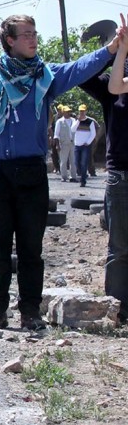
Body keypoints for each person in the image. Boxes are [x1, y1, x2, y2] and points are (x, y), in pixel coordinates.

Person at [0, 12, 117, 331]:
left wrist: (111, 49)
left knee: (30, 247)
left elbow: (79, 68)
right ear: (10, 41)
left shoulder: (45, 76)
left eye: (35, 33)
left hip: (31, 173)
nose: (34, 38)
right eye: (27, 34)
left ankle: (30, 312)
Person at [84, 20, 128, 325]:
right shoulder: (115, 84)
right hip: (121, 174)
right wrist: (115, 49)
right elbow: (83, 75)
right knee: (120, 248)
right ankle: (118, 311)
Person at [72, 104, 98, 187]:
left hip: (85, 146)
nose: (82, 113)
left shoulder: (90, 121)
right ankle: (82, 175)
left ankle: (83, 181)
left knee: (84, 163)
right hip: (77, 145)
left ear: (86, 111)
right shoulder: (76, 121)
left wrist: (88, 142)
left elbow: (93, 134)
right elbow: (72, 129)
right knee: (76, 162)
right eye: (80, 111)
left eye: (83, 111)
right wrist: (78, 121)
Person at [52, 104, 78, 182]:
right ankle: (64, 176)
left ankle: (73, 176)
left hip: (73, 143)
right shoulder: (59, 122)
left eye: (69, 111)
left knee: (73, 161)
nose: (68, 113)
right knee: (63, 161)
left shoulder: (74, 120)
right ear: (63, 112)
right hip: (63, 143)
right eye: (66, 112)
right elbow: (56, 134)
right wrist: (57, 145)